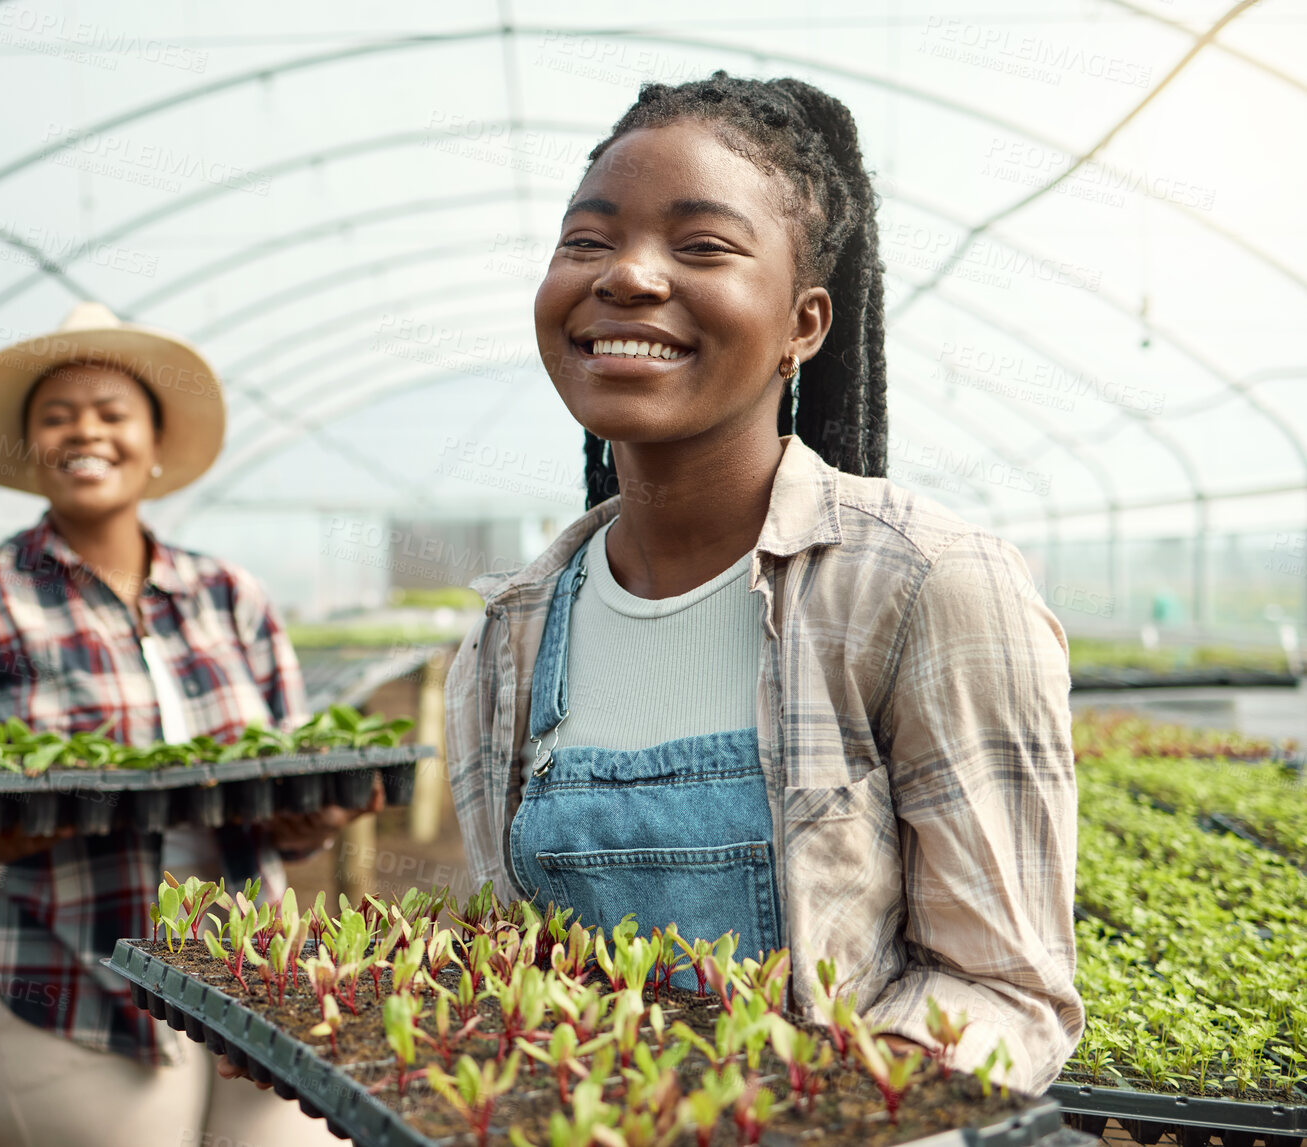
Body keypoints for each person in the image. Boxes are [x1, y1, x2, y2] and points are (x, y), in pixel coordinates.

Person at [443, 73, 1082, 1093]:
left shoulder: (922, 588)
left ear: (805, 324)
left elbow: (1007, 993)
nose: (629, 277)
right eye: (588, 241)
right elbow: (517, 972)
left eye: (701, 246)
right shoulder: (508, 638)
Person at [0, 302, 370, 1147]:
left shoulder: (227, 595)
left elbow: (293, 776)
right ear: (32, 444)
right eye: (56, 416)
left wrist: (312, 820)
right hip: (63, 971)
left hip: (247, 964)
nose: (85, 433)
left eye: (112, 414)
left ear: (152, 440)